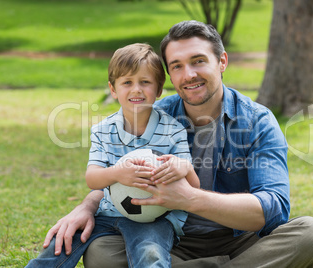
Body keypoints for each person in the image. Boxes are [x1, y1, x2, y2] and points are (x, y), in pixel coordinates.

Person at [41, 21, 313, 268]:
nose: (189, 74)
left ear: (222, 61)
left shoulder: (257, 122)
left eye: (198, 61)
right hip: (170, 239)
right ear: (168, 76)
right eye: (177, 66)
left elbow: (275, 209)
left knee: (311, 234)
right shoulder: (153, 114)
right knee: (102, 254)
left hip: (240, 243)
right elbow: (118, 169)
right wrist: (86, 206)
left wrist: (188, 198)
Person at [25, 43, 200, 267]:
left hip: (156, 218)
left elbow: (193, 189)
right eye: (127, 82)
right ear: (113, 89)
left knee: (150, 254)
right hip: (107, 214)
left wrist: (184, 168)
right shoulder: (103, 130)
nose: (136, 89)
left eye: (145, 82)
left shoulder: (173, 130)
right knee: (61, 243)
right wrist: (118, 174)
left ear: (158, 90)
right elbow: (93, 178)